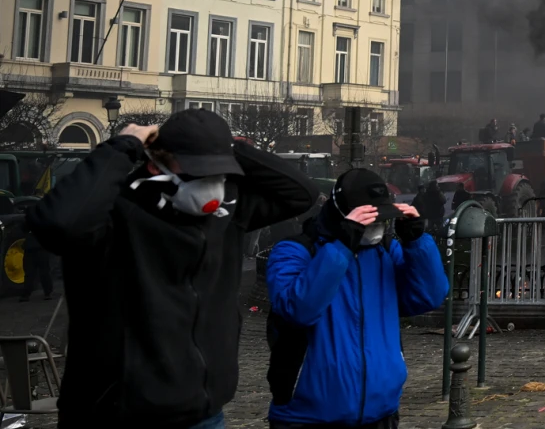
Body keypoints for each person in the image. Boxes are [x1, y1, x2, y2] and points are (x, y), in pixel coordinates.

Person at [29, 110, 315, 429]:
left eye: (218, 172)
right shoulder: (111, 216)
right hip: (116, 414)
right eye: (196, 172)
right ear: (156, 164)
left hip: (204, 413)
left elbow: (300, 193)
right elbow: (58, 224)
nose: (210, 185)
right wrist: (124, 146)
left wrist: (225, 146)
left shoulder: (227, 213)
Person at [267, 169, 449, 429]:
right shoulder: (295, 251)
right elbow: (298, 310)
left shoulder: (386, 251)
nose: (376, 228)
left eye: (380, 219)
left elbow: (428, 297)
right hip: (308, 416)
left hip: (381, 412)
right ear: (343, 215)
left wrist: (417, 243)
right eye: (368, 220)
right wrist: (341, 247)